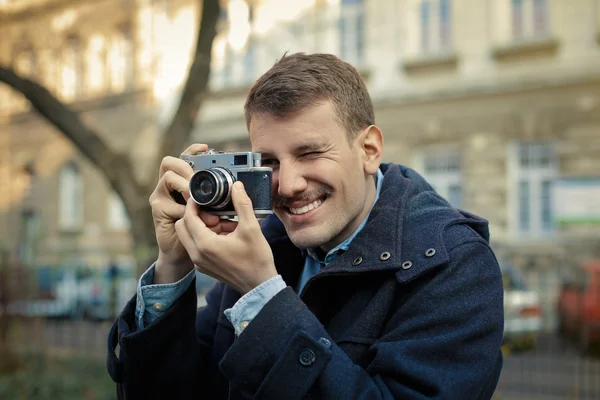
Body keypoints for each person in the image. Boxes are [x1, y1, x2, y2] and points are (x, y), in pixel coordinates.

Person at [107, 53, 504, 399]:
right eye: (271, 162)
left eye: (310, 153)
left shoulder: (453, 265)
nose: (290, 184)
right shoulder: (265, 247)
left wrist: (263, 298)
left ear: (368, 150)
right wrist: (172, 267)